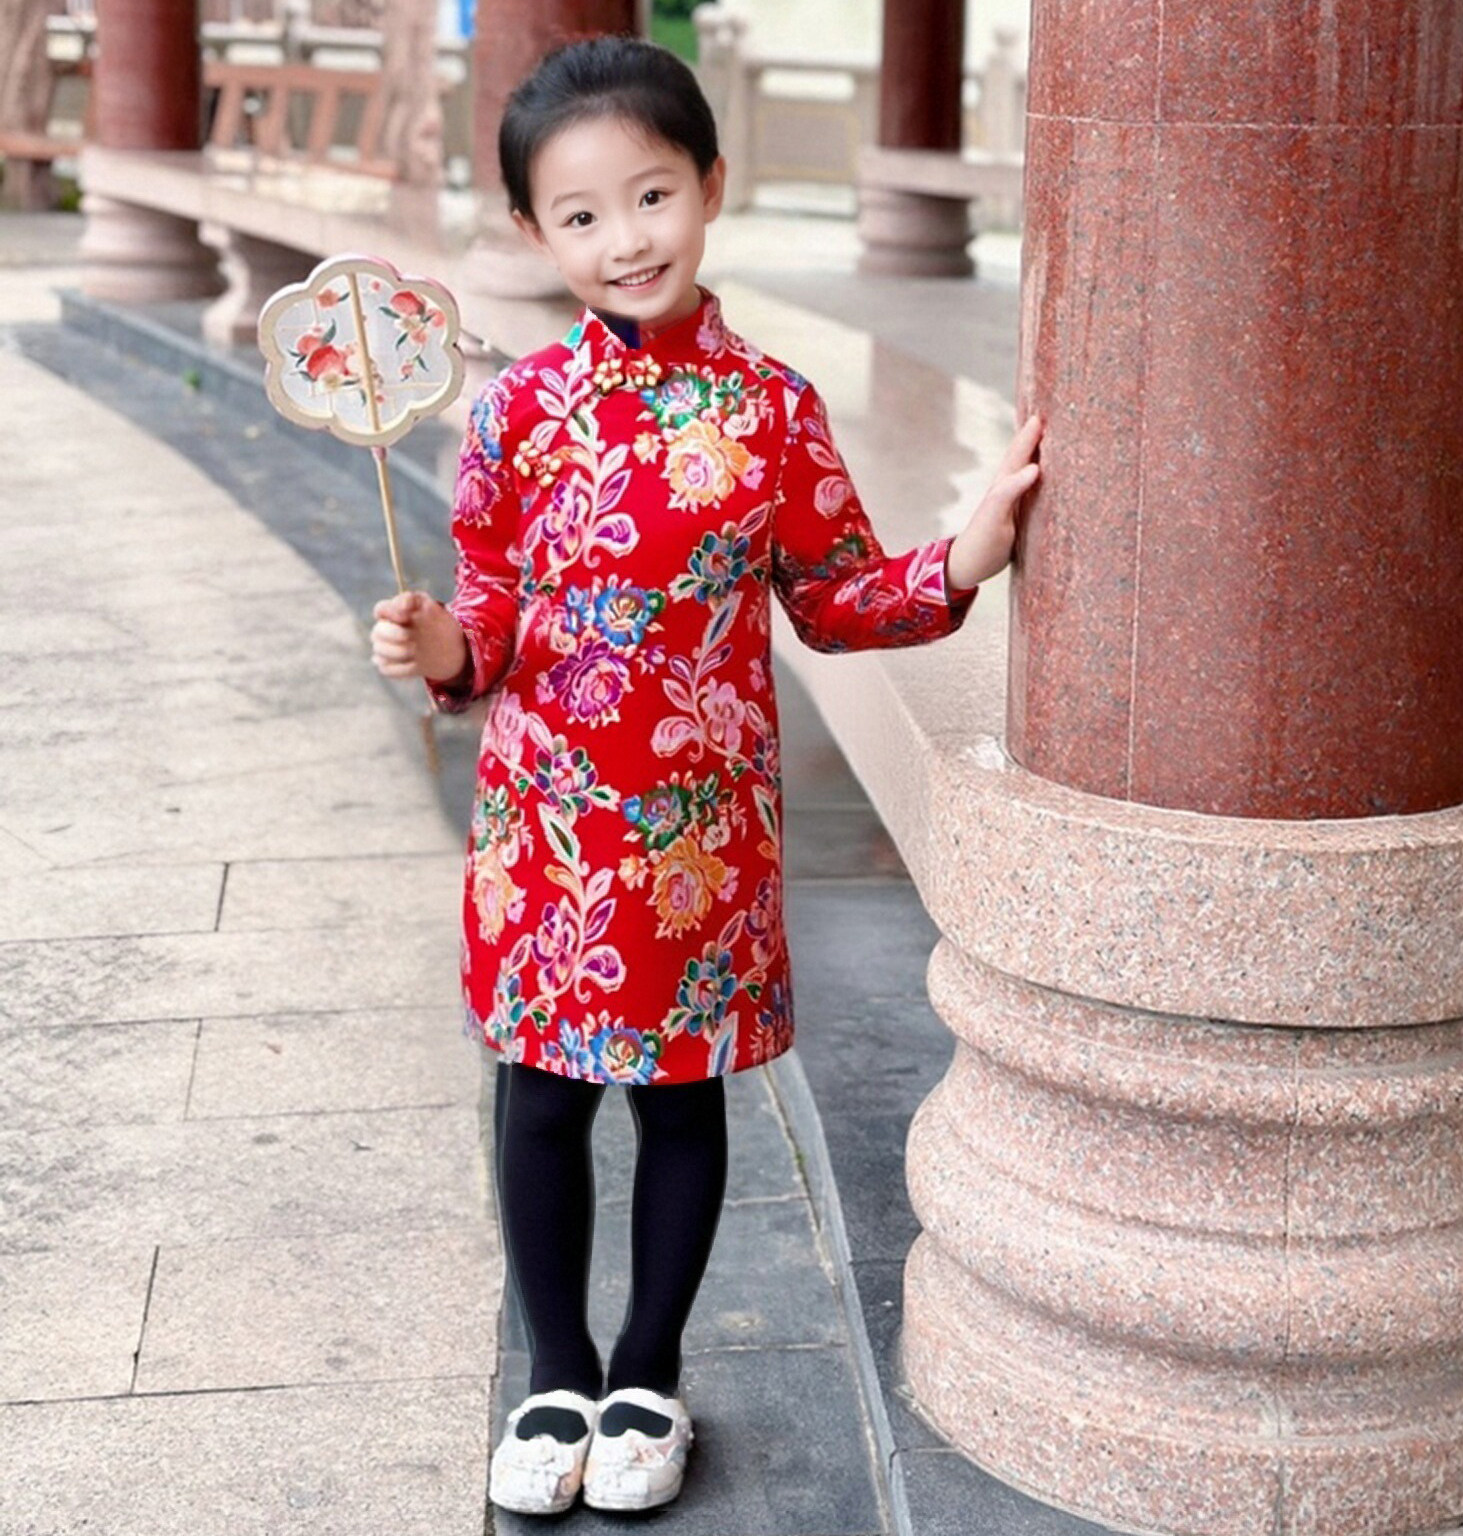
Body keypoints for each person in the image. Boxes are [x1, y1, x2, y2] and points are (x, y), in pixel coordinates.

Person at [369, 33, 1043, 1518]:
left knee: (682, 1104)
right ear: (539, 235)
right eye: (584, 215)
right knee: (538, 1099)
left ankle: (649, 1376)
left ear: (712, 187)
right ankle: (556, 1368)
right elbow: (487, 606)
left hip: (697, 837)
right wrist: (441, 646)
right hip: (543, 828)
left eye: (653, 195)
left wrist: (965, 554)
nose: (626, 239)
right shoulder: (516, 415)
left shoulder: (774, 411)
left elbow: (840, 597)